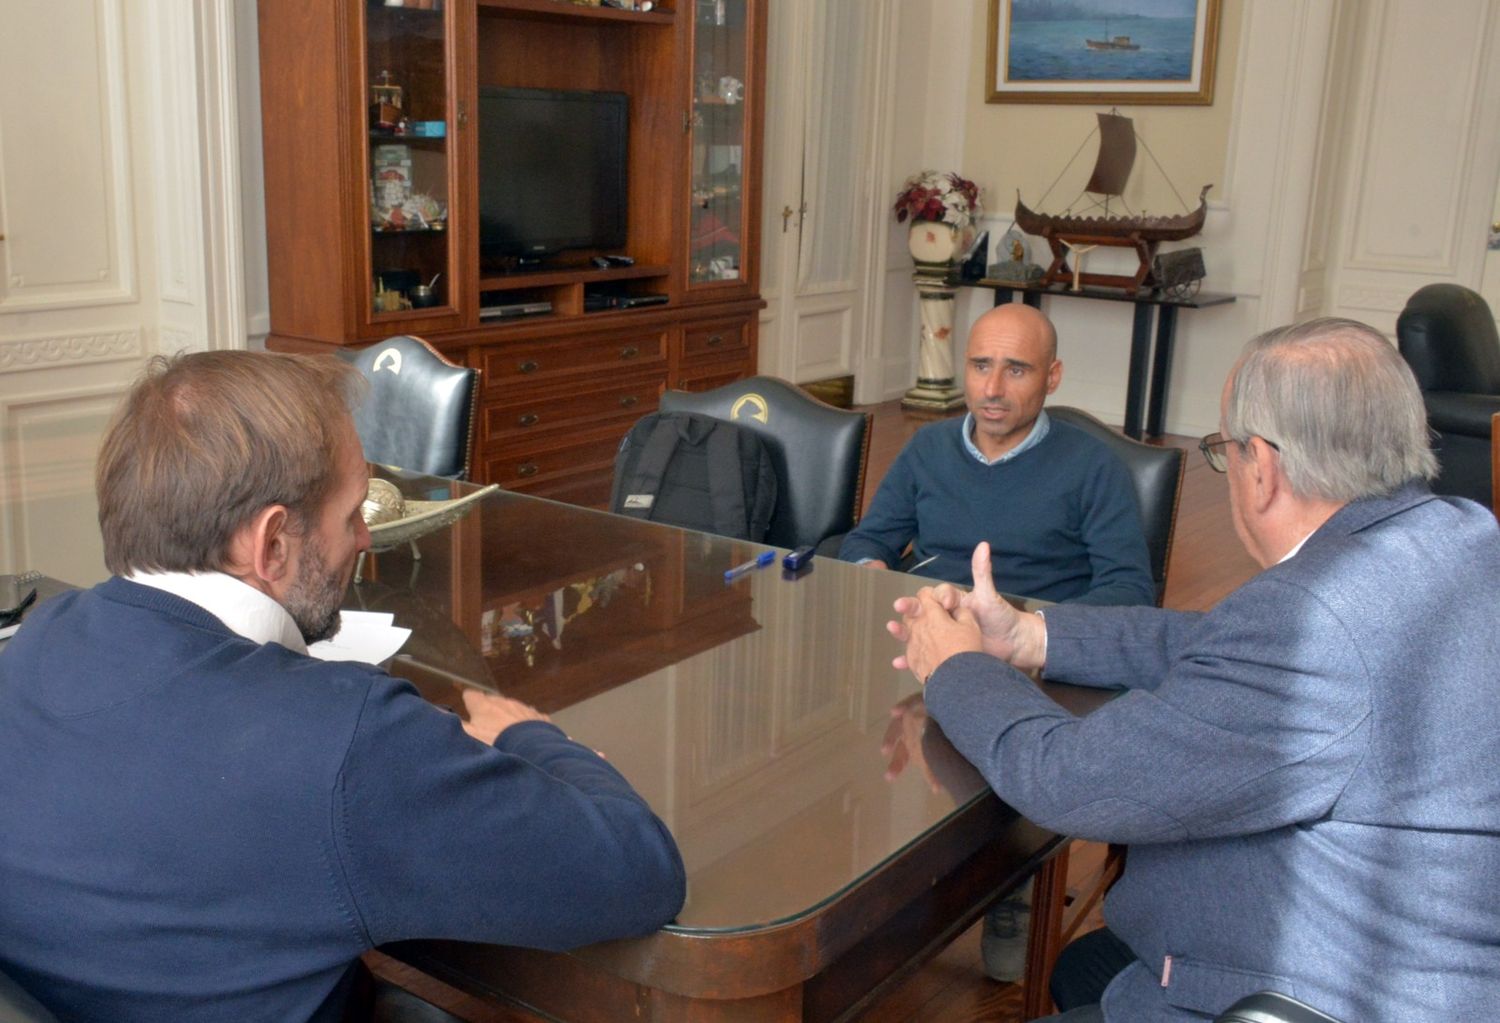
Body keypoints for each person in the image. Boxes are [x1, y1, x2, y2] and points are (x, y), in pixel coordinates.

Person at [0, 352, 686, 1022]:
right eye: (353, 512)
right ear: (271, 544)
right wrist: (526, 732)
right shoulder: (346, 741)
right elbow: (639, 869)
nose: (364, 539)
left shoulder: (32, 643)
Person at [888, 318, 1500, 1021]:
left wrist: (957, 666)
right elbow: (1221, 647)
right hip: (1423, 948)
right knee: (1087, 966)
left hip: (1319, 990)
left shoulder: (1314, 623)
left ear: (1262, 468)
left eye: (1225, 452)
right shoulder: (1459, 537)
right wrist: (1032, 635)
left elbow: (1067, 778)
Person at [838, 303, 1153, 606]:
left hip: (1032, 644)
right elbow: (869, 541)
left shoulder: (1095, 465)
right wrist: (872, 573)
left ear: (1052, 377)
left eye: (1016, 370)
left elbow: (1128, 590)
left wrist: (1034, 630)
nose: (992, 389)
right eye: (981, 365)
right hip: (933, 625)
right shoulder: (928, 447)